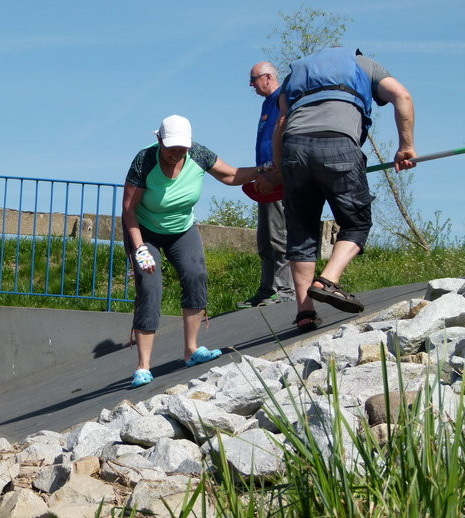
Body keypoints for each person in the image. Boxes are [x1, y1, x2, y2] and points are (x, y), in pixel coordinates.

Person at [270, 47, 416, 331]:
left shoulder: (294, 73)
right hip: (338, 144)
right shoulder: (364, 64)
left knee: (301, 232)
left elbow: (282, 123)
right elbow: (403, 97)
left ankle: (304, 312)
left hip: (293, 148)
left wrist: (279, 169)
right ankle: (328, 280)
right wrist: (406, 146)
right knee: (357, 223)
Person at [122, 115, 262, 387]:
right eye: (171, 147)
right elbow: (129, 209)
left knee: (196, 274)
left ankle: (191, 350)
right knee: (150, 287)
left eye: (181, 148)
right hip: (144, 230)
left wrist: (263, 170)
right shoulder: (145, 160)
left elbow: (231, 175)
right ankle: (143, 366)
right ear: (159, 140)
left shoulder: (198, 153)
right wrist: (139, 249)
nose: (176, 153)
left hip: (181, 229)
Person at [237, 61, 295, 308]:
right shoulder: (266, 104)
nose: (251, 85)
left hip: (277, 178)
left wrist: (276, 170)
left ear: (268, 77)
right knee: (265, 237)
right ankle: (267, 288)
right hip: (264, 177)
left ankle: (285, 289)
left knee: (279, 235)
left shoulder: (283, 97)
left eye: (254, 79)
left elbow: (283, 132)